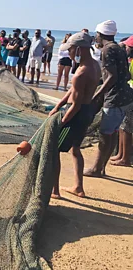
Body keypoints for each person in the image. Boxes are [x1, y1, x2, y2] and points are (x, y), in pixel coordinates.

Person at [49, 32, 101, 199]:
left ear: (79, 49)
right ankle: (78, 187)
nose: (68, 53)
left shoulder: (80, 73)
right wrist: (58, 106)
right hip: (87, 112)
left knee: (54, 149)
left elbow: (76, 104)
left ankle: (54, 190)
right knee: (75, 149)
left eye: (70, 50)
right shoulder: (94, 65)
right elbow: (73, 91)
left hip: (77, 114)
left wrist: (62, 122)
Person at [84, 20, 133, 177]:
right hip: (125, 96)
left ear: (100, 35)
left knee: (105, 134)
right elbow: (126, 74)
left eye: (96, 35)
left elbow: (111, 76)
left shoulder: (107, 50)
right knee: (112, 132)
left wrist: (97, 95)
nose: (96, 38)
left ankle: (97, 168)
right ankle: (102, 167)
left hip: (115, 97)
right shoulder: (119, 48)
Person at [109, 36, 133, 167]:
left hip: (131, 96)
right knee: (123, 126)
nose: (126, 49)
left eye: (128, 47)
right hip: (128, 96)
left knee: (127, 127)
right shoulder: (130, 60)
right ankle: (120, 154)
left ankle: (125, 158)